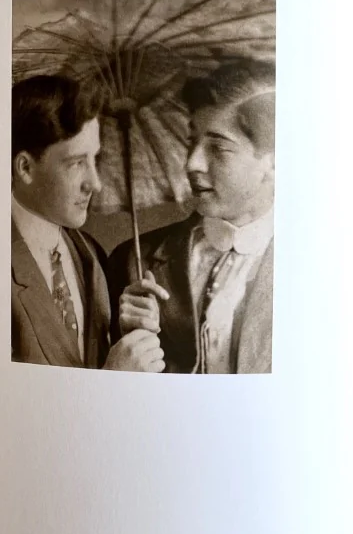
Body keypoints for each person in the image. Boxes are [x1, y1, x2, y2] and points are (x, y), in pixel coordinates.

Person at [108, 60, 276, 374]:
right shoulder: (135, 259)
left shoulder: (316, 266)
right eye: (192, 143)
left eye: (218, 148)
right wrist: (129, 341)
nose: (192, 164)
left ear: (272, 162)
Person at [11, 74, 165, 372]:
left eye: (95, 159)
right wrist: (113, 379)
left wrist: (126, 331)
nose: (95, 184)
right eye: (77, 163)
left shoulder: (90, 255)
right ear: (26, 168)